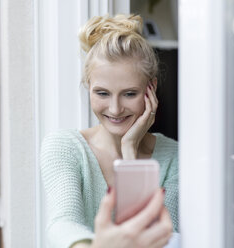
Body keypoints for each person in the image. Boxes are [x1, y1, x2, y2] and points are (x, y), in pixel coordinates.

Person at [40, 14, 179, 248]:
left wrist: (129, 150)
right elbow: (63, 223)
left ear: (151, 89)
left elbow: (158, 237)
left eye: (129, 94)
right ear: (88, 87)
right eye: (102, 93)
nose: (115, 109)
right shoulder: (64, 147)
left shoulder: (174, 156)